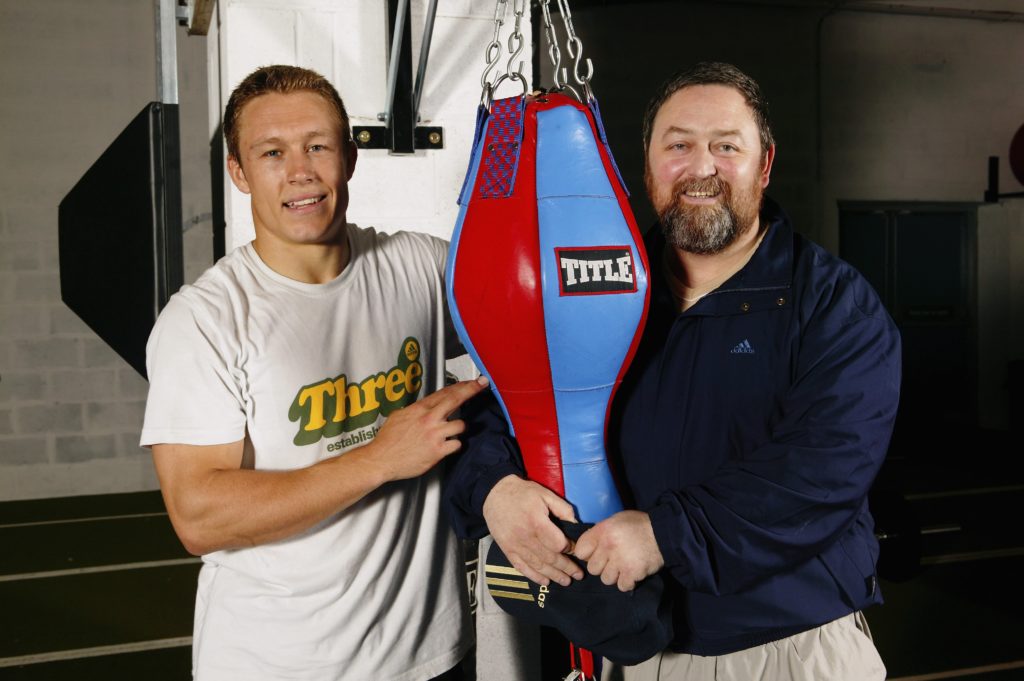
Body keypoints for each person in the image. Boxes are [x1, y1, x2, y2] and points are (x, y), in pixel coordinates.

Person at [445, 61, 900, 680]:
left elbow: (824, 469)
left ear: (764, 164)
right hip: (635, 653)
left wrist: (666, 534)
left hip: (791, 651)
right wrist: (494, 488)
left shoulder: (833, 305)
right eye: (679, 145)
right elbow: (489, 404)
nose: (701, 168)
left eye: (726, 147)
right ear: (646, 164)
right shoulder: (595, 283)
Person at [141, 65, 487, 681]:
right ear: (239, 172)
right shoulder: (206, 319)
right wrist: (379, 459)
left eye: (318, 146)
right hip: (279, 663)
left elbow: (541, 324)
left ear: (350, 158)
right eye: (272, 152)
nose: (299, 172)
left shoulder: (421, 268)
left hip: (433, 654)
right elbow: (198, 515)